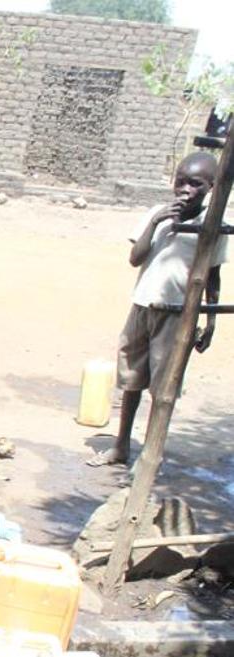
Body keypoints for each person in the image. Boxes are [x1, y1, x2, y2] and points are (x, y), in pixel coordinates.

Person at [89, 151, 227, 468]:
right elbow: (136, 258)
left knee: (162, 389)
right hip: (142, 305)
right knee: (131, 380)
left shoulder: (212, 225)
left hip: (177, 314)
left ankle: (151, 453)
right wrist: (156, 222)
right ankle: (121, 445)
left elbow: (213, 276)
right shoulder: (157, 214)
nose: (185, 190)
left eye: (195, 184)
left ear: (210, 187)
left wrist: (210, 321)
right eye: (180, 182)